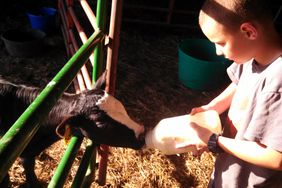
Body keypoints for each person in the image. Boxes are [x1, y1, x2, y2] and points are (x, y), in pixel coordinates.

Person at [179, 0, 282, 187]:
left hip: (250, 181)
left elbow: (276, 157)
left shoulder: (278, 81)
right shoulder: (252, 56)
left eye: (221, 43)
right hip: (230, 170)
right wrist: (213, 107)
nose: (218, 51)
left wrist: (214, 142)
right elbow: (238, 83)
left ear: (249, 31)